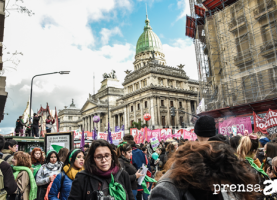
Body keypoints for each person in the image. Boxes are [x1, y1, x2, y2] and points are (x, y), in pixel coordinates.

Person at [149, 141, 260, 200]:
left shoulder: (209, 185)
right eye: (220, 184)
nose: (219, 189)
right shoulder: (165, 191)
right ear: (208, 173)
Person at [68, 139, 135, 200]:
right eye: (99, 157)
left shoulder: (122, 174)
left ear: (111, 156)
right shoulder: (82, 177)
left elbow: (130, 197)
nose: (104, 160)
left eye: (107, 156)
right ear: (92, 159)